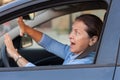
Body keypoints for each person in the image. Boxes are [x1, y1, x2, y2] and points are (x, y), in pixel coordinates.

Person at [4, 14, 103, 67]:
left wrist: (15, 55)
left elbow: (39, 77)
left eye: (77, 32)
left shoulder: (84, 64)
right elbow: (50, 43)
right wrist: (26, 29)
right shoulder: (76, 53)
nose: (70, 36)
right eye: (72, 30)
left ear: (93, 40)